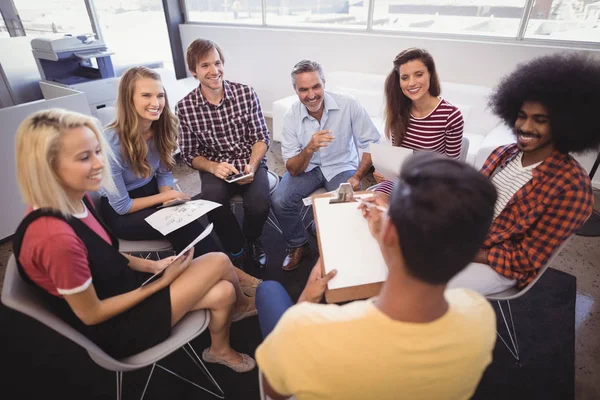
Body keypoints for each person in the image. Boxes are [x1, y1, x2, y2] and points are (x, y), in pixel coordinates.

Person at [13, 109, 258, 371]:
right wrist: (159, 283)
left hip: (123, 290)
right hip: (116, 328)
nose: (99, 163)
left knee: (223, 291)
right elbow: (92, 314)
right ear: (47, 168)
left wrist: (154, 266)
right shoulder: (55, 238)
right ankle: (245, 305)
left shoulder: (75, 198)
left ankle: (219, 350)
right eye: (85, 157)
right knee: (218, 261)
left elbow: (106, 253)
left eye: (98, 151)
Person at [254, 152, 498, 400]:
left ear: (390, 231)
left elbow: (274, 392)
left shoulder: (305, 327)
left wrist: (306, 299)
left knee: (268, 290)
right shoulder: (480, 314)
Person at [375, 53, 600, 295]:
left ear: (566, 123)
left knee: (412, 280)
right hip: (465, 236)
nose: (525, 127)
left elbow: (525, 259)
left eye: (540, 120)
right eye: (522, 116)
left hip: (497, 263)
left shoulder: (572, 188)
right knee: (386, 248)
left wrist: (459, 250)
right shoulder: (502, 154)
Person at [99, 67, 236, 267]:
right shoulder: (110, 142)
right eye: (146, 95)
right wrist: (167, 196)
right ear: (129, 99)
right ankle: (228, 271)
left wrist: (167, 195)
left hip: (151, 191)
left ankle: (215, 271)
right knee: (181, 225)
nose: (156, 103)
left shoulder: (161, 128)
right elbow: (122, 206)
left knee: (183, 217)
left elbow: (164, 172)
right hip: (122, 212)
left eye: (160, 95)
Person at [271, 60, 381, 271]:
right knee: (280, 200)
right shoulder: (291, 116)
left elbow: (371, 143)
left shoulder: (348, 104)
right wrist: (310, 148)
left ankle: (317, 226)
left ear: (324, 83)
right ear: (295, 90)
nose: (311, 95)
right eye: (303, 89)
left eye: (316, 86)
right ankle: (297, 243)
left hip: (341, 166)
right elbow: (293, 168)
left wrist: (357, 176)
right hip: (308, 168)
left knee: (346, 203)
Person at [176, 39, 271, 269]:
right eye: (205, 65)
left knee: (259, 203)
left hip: (249, 160)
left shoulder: (246, 93)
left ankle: (251, 239)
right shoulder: (184, 107)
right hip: (215, 166)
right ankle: (237, 250)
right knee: (212, 200)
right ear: (193, 71)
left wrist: (252, 164)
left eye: (217, 63)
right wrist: (212, 167)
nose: (214, 71)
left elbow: (262, 138)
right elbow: (190, 154)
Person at [374, 48, 464, 182]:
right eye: (405, 77)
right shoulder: (398, 110)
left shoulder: (450, 116)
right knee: (371, 200)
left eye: (418, 74)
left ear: (430, 74)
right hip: (402, 181)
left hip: (433, 185)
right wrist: (385, 175)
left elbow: (450, 170)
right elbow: (398, 161)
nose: (411, 83)